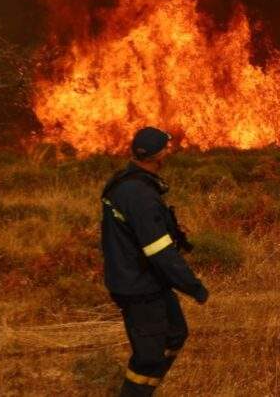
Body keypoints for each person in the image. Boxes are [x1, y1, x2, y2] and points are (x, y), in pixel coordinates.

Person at [101, 127, 208, 396]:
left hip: (147, 280)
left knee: (175, 333)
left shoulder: (129, 184)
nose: (168, 152)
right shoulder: (138, 194)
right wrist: (192, 286)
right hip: (138, 286)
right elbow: (159, 251)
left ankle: (147, 388)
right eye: (165, 148)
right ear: (156, 155)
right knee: (148, 357)